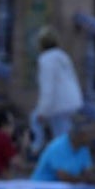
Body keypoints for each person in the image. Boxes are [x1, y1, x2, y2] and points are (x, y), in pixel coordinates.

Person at [28, 26, 83, 154]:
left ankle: (37, 146)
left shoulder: (46, 59)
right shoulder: (62, 56)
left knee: (36, 119)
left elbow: (48, 88)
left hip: (58, 103)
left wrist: (43, 110)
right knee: (62, 131)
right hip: (71, 101)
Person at [31, 115, 95, 186]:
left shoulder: (84, 148)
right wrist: (88, 181)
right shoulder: (58, 147)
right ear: (81, 135)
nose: (92, 138)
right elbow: (63, 177)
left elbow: (86, 172)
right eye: (90, 135)